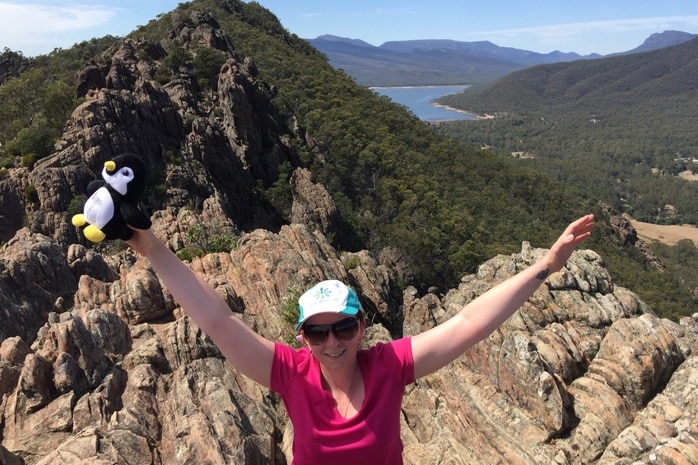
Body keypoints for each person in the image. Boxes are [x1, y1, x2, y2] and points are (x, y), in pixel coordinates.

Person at [126, 213, 596, 464]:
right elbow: (219, 322)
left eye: (343, 327)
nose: (332, 342)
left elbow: (469, 324)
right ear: (302, 336)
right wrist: (151, 247)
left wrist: (543, 268)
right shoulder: (290, 373)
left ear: (361, 328)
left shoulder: (388, 366)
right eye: (317, 331)